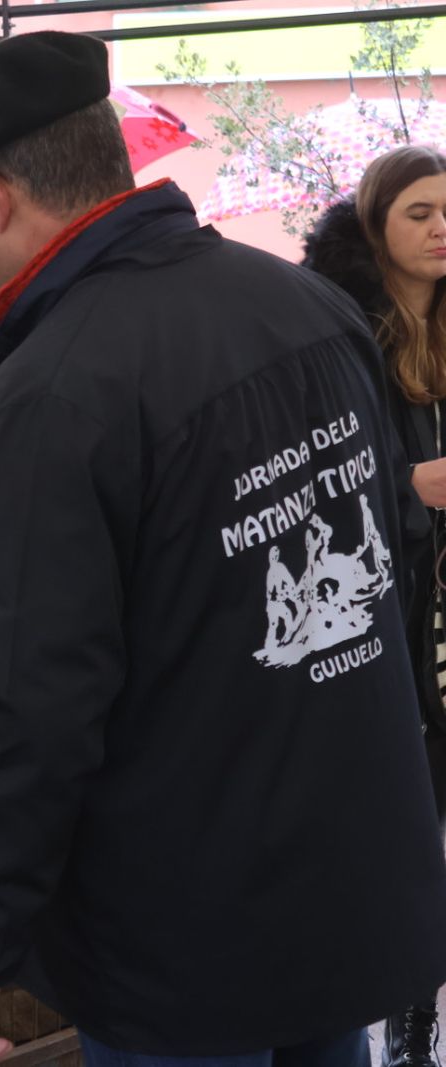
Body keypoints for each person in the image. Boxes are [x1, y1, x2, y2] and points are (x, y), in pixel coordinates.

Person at [0, 31, 446, 1066]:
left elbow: (29, 698)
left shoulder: (56, 388)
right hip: (347, 893)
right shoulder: (309, 305)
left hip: (185, 943)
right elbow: (388, 552)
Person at [303, 144, 446, 1067]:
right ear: (375, 225)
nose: (441, 229)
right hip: (384, 614)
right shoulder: (343, 333)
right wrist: (413, 485)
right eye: (419, 213)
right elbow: (328, 482)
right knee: (401, 833)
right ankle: (404, 1013)